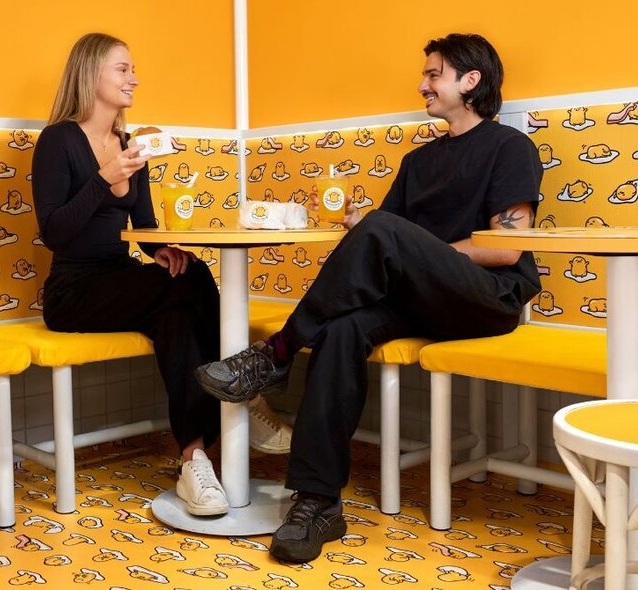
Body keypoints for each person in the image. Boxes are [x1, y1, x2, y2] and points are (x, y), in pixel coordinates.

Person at [195, 33, 543, 561]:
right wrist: (360, 225)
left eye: (434, 74)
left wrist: (404, 245)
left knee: (383, 232)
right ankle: (318, 503)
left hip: (486, 298)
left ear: (470, 81)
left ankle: (276, 355)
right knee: (341, 327)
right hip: (421, 298)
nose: (422, 84)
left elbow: (505, 247)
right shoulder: (418, 161)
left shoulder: (509, 147)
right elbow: (385, 239)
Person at [32, 33, 289, 516]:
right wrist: (103, 178)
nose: (134, 78)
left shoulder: (130, 144)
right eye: (122, 69)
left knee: (181, 289)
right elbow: (54, 233)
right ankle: (245, 396)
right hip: (73, 290)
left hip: (120, 279)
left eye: (133, 70)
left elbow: (144, 226)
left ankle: (194, 459)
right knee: (186, 286)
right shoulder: (59, 140)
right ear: (91, 74)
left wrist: (163, 250)